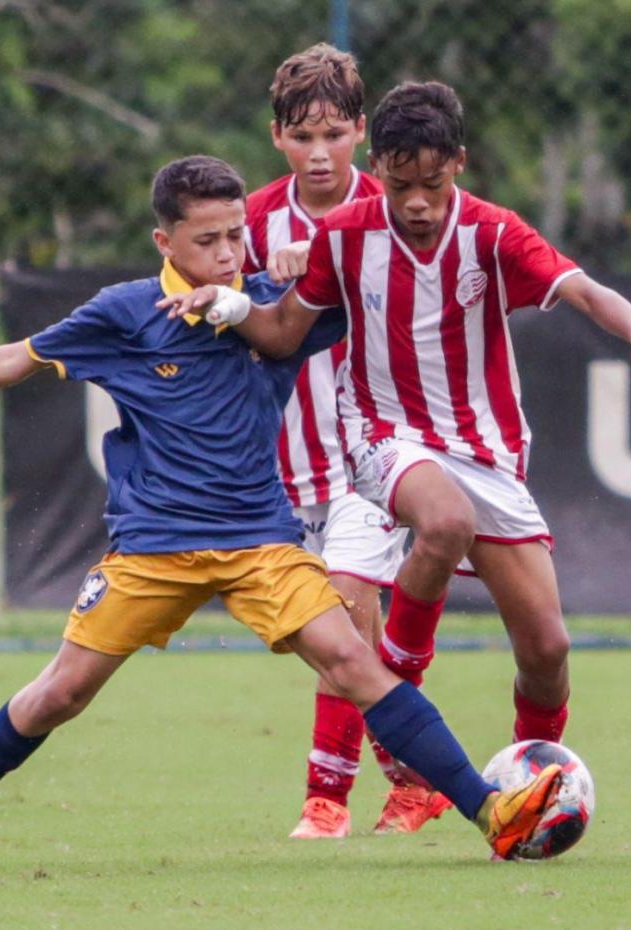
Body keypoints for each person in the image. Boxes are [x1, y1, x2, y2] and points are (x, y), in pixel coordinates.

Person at [0, 155, 563, 869]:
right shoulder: (125, 313)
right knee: (59, 694)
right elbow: (16, 359)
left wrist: (308, 259)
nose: (227, 254)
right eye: (207, 241)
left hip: (260, 544)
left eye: (235, 235)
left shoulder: (268, 306)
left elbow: (377, 294)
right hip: (152, 549)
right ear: (165, 243)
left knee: (353, 662)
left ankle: (487, 809)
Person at [159, 83, 631, 773]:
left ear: (460, 164)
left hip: (485, 448)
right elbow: (283, 333)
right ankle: (401, 679)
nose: (417, 201)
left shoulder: (494, 232)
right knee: (444, 521)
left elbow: (584, 290)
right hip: (382, 432)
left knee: (547, 651)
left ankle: (534, 778)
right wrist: (232, 308)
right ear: (377, 166)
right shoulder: (345, 236)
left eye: (433, 183)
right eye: (401, 182)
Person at [245, 44, 440, 839]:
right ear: (277, 138)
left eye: (333, 133)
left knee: (349, 605)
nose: (319, 152)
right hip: (283, 466)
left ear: (360, 130)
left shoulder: (401, 206)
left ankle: (324, 801)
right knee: (329, 641)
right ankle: (416, 775)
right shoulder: (251, 222)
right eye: (301, 136)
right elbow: (223, 317)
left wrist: (327, 260)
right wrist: (268, 284)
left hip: (372, 452)